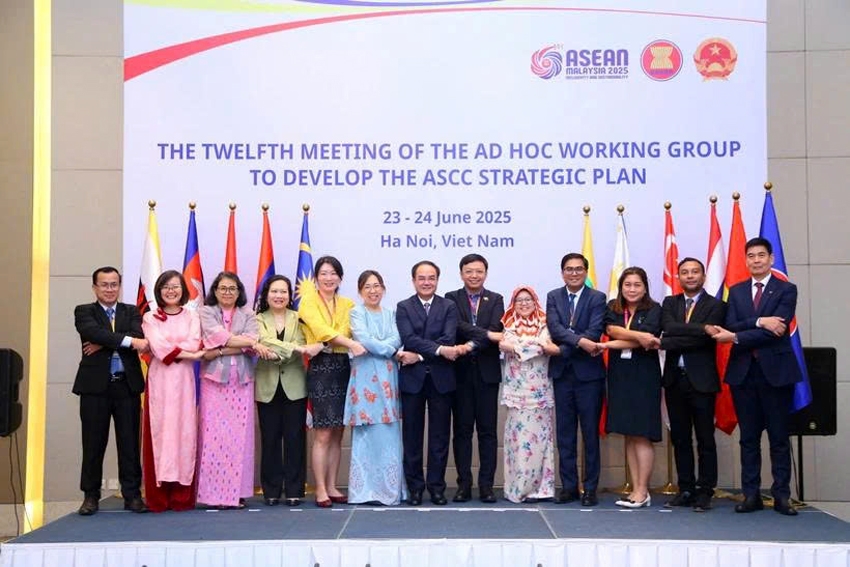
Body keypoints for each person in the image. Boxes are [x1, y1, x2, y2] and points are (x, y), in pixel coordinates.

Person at [711, 237, 801, 516]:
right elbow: (730, 325)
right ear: (746, 260)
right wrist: (760, 321)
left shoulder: (786, 289)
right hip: (744, 374)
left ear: (771, 259)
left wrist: (738, 336)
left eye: (761, 255)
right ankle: (751, 495)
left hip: (776, 374)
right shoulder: (736, 291)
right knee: (748, 438)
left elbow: (778, 330)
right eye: (751, 256)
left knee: (778, 438)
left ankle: (782, 495)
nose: (756, 260)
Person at [73, 266, 149, 515]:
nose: (109, 289)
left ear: (119, 286)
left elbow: (138, 334)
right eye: (104, 284)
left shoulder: (131, 311)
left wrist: (103, 342)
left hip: (126, 386)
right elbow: (91, 332)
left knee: (129, 443)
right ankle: (90, 496)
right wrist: (126, 341)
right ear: (95, 287)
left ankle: (132, 495)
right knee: (93, 443)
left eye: (114, 284)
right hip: (95, 388)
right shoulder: (84, 311)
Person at [656, 258, 726, 512]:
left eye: (695, 272)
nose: (690, 276)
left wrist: (669, 341)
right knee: (680, 438)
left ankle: (705, 491)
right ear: (678, 277)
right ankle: (685, 488)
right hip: (675, 380)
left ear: (703, 276)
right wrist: (702, 328)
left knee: (705, 438)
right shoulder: (669, 303)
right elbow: (668, 327)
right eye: (684, 272)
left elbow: (705, 342)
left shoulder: (717, 305)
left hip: (702, 381)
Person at [298, 256, 366, 508]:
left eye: (333, 273)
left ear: (340, 277)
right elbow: (320, 329)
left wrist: (327, 342)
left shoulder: (348, 303)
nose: (329, 278)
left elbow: (347, 329)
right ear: (316, 278)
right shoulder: (308, 301)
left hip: (343, 367)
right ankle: (320, 489)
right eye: (323, 273)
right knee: (323, 433)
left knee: (338, 432)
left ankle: (333, 485)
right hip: (320, 369)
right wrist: (343, 342)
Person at [395, 260, 460, 506]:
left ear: (437, 280)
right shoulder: (403, 306)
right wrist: (439, 350)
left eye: (431, 277)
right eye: (421, 278)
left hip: (441, 379)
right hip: (412, 380)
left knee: (439, 436)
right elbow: (408, 338)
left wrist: (421, 356)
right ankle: (415, 489)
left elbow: (449, 338)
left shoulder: (449, 306)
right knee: (412, 436)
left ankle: (436, 488)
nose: (426, 282)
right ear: (413, 281)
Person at [254, 275, 323, 507]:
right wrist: (296, 349)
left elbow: (300, 343)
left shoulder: (298, 317)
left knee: (295, 439)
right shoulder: (257, 319)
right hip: (267, 386)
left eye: (283, 292)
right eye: (274, 291)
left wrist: (278, 350)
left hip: (295, 385)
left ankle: (295, 490)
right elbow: (263, 341)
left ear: (289, 296)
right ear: (266, 295)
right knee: (270, 439)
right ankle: (271, 490)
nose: (279, 296)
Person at [140, 270, 205, 513]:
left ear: (183, 290)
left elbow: (194, 342)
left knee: (183, 431)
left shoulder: (192, 316)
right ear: (159, 290)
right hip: (160, 380)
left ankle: (181, 495)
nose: (171, 290)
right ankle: (159, 496)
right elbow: (158, 347)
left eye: (175, 286)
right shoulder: (150, 317)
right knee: (161, 431)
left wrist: (183, 351)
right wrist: (189, 354)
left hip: (184, 380)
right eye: (166, 286)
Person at [598, 266, 662, 509]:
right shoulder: (613, 307)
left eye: (637, 285)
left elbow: (649, 340)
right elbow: (610, 330)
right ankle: (635, 488)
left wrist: (617, 340)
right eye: (627, 285)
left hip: (644, 377)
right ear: (621, 287)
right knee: (629, 433)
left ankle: (643, 490)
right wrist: (638, 336)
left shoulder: (654, 309)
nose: (632, 289)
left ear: (645, 287)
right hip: (620, 376)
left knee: (642, 433)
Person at [545, 253, 607, 507]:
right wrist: (579, 342)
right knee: (565, 434)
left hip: (589, 376)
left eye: (578, 269)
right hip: (562, 375)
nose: (573, 273)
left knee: (590, 434)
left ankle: (590, 488)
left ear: (585, 272)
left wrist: (565, 347)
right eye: (569, 269)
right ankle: (569, 487)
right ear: (562, 273)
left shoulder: (597, 298)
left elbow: (594, 331)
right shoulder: (553, 296)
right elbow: (555, 328)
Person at [344, 270, 408, 505]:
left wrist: (384, 347)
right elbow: (363, 338)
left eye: (377, 286)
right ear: (360, 291)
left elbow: (397, 338)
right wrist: (388, 349)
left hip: (388, 377)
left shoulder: (392, 313)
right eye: (368, 287)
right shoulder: (356, 313)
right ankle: (364, 492)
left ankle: (390, 490)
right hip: (364, 377)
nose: (373, 291)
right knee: (366, 433)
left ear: (383, 288)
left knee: (388, 433)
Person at [445, 254, 504, 503]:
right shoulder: (450, 298)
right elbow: (456, 326)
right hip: (459, 374)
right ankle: (464, 485)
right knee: (462, 432)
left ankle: (487, 486)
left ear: (485, 274)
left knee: (488, 432)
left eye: (479, 271)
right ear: (461, 274)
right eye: (469, 271)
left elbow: (497, 330)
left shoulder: (496, 299)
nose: (474, 275)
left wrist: (471, 344)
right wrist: (485, 335)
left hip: (487, 374)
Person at [196, 271, 258, 509]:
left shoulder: (248, 313)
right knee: (215, 438)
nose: (227, 292)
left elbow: (253, 340)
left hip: (242, 382)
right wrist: (244, 342)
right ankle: (215, 495)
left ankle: (237, 493)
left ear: (239, 291)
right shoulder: (206, 312)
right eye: (223, 288)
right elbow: (215, 337)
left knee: (240, 439)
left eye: (232, 288)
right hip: (214, 382)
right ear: (215, 290)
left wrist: (221, 349)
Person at [499, 286, 560, 503]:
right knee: (518, 440)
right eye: (519, 300)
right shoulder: (508, 324)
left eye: (528, 300)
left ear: (535, 302)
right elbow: (506, 344)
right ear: (513, 304)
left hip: (540, 392)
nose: (524, 304)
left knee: (541, 440)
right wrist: (530, 345)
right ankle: (518, 488)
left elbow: (543, 346)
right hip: (516, 393)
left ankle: (542, 489)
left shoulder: (545, 324)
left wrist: (517, 346)